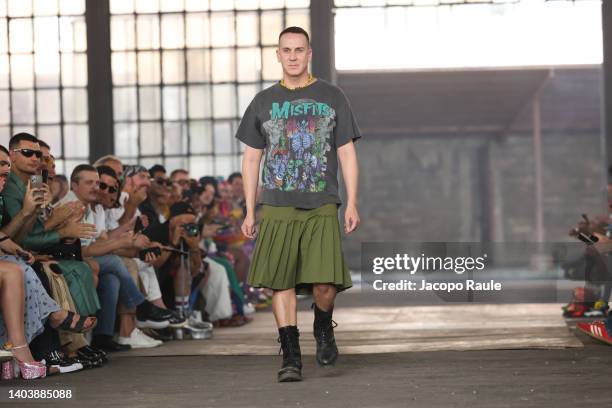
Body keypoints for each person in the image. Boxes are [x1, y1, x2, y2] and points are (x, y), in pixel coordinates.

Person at [235, 26, 361, 382]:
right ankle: (290, 355)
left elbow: (347, 152)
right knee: (281, 282)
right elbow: (250, 160)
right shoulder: (262, 101)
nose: (292, 56)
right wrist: (249, 209)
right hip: (276, 203)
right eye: (286, 50)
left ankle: (323, 326)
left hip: (321, 202)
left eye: (299, 50)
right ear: (278, 55)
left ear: (309, 54)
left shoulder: (332, 96)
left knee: (325, 284)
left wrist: (352, 202)